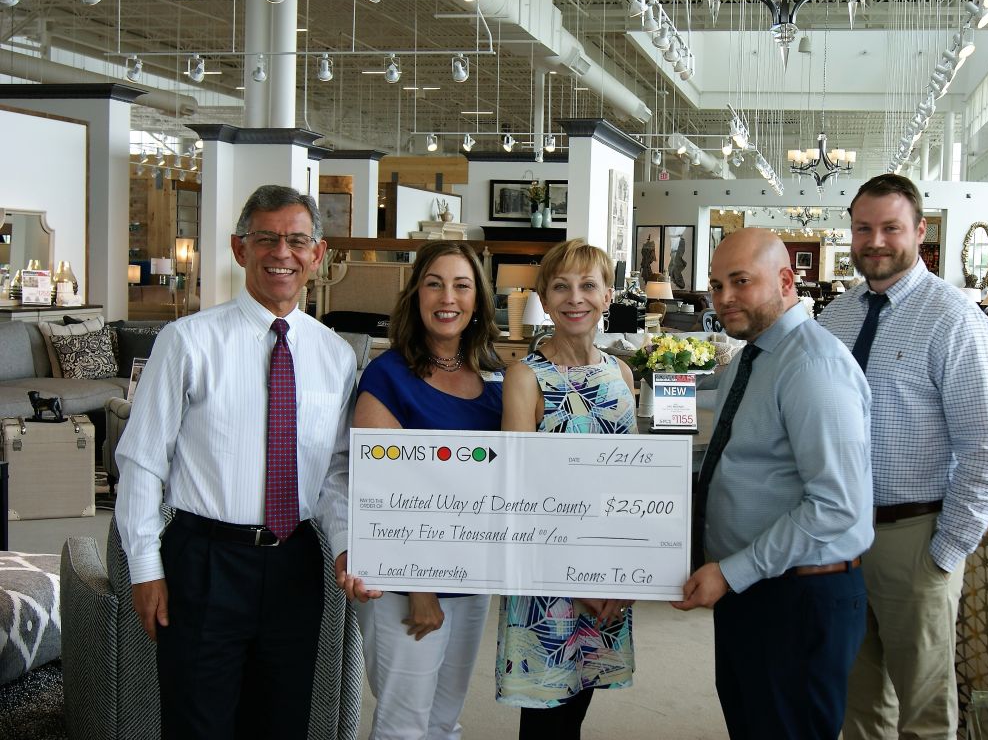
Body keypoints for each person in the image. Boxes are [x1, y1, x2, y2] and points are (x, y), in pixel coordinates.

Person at [114, 184, 357, 739]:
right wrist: (146, 569)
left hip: (296, 563)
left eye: (297, 240)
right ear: (238, 248)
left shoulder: (336, 356)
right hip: (204, 563)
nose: (282, 253)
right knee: (198, 724)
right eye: (266, 238)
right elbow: (143, 461)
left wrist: (345, 545)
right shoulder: (186, 341)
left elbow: (336, 475)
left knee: (283, 722)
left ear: (317, 255)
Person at [817, 173, 988, 739]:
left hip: (914, 537)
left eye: (890, 228)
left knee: (924, 709)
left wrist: (943, 555)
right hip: (838, 536)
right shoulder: (836, 318)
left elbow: (985, 449)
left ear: (920, 232)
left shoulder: (955, 319)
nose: (875, 241)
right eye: (862, 228)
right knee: (856, 698)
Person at [673, 227, 874, 740]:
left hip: (799, 598)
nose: (724, 299)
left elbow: (836, 505)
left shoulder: (814, 366)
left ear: (786, 280)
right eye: (717, 285)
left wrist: (733, 572)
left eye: (741, 281)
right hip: (752, 590)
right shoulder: (753, 354)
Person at [332, 241, 505, 740]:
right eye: (434, 283)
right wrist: (420, 586)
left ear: (477, 299)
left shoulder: (492, 375)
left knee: (443, 721)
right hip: (407, 585)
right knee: (402, 726)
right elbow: (378, 490)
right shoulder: (388, 376)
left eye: (461, 285)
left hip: (471, 579)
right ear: (416, 295)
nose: (447, 297)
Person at [496, 238, 637, 740]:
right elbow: (519, 489)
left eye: (588, 285)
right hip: (551, 573)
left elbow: (631, 484)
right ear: (545, 297)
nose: (575, 297)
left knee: (578, 706)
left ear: (607, 296)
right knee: (546, 715)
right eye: (561, 286)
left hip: (609, 570)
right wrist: (577, 579)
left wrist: (623, 572)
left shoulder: (620, 372)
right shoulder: (526, 377)